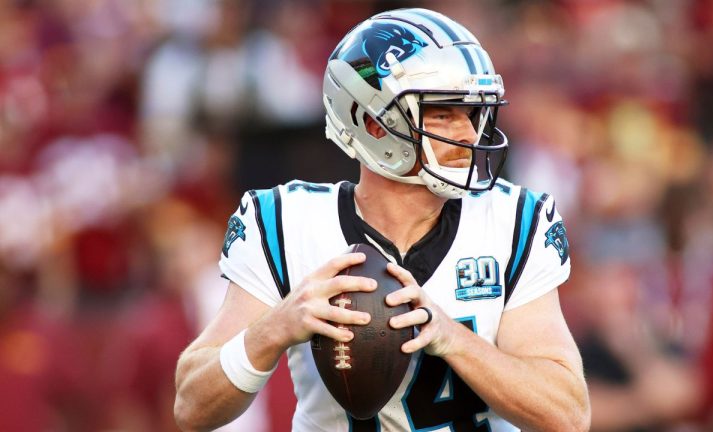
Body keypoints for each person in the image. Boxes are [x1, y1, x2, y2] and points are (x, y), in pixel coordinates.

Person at [174, 8, 590, 432]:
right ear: (373, 124)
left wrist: (453, 339)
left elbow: (567, 415)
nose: (467, 134)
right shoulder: (285, 222)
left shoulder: (513, 219)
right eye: (443, 113)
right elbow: (191, 406)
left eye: (471, 113)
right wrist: (275, 328)